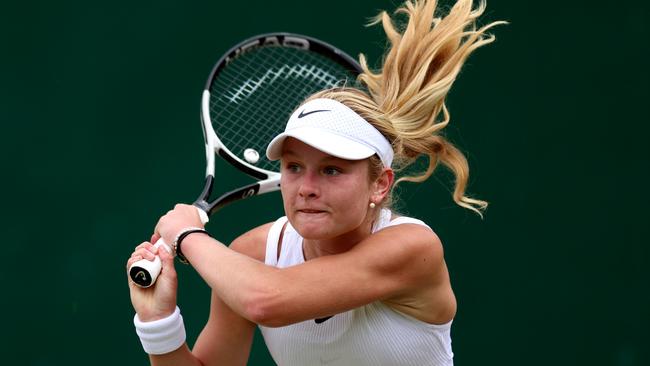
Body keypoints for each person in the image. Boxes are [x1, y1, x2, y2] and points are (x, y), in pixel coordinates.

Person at [127, 0, 503, 365]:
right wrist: (158, 321)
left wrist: (187, 236)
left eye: (331, 170)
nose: (306, 186)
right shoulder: (250, 255)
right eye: (293, 167)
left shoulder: (412, 248)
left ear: (380, 185)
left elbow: (266, 301)